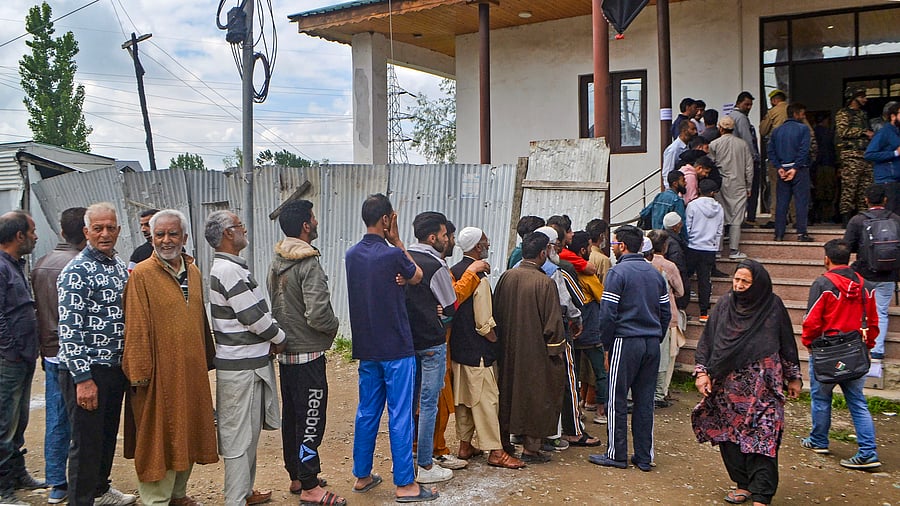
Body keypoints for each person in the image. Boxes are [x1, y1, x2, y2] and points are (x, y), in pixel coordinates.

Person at [345, 194, 440, 502]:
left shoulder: (351, 255)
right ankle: (405, 484)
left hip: (367, 347)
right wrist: (398, 240)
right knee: (400, 414)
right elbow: (417, 276)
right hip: (397, 348)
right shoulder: (391, 255)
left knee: (367, 411)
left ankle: (362, 475)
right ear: (386, 220)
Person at [123, 209, 218, 506]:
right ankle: (157, 500)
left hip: (189, 370)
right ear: (151, 237)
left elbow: (199, 319)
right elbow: (135, 326)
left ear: (185, 237)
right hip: (157, 374)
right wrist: (139, 374)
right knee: (157, 437)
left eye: (172, 234)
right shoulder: (142, 274)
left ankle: (177, 494)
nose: (166, 240)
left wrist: (206, 358)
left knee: (187, 430)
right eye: (159, 234)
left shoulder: (193, 271)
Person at [692, 259, 802, 505]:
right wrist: (702, 373)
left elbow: (786, 343)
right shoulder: (724, 305)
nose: (739, 285)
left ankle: (762, 493)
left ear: (758, 284)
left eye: (745, 281)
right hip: (728, 388)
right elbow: (708, 342)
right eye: (736, 280)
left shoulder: (773, 306)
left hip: (763, 389)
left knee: (764, 437)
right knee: (729, 436)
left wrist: (793, 377)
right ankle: (743, 484)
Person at [57, 203, 136, 506]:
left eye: (110, 227)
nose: (105, 234)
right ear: (86, 231)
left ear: (118, 229)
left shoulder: (115, 264)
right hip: (88, 370)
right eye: (98, 228)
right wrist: (83, 380)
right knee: (86, 444)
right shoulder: (75, 271)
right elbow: (70, 330)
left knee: (104, 438)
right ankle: (80, 500)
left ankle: (101, 490)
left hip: (114, 368)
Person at [205, 210, 285, 506]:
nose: (244, 231)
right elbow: (253, 318)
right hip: (240, 369)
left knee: (248, 434)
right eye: (240, 226)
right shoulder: (228, 271)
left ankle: (246, 492)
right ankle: (235, 499)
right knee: (238, 437)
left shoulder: (231, 268)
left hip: (249, 364)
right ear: (228, 233)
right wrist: (280, 338)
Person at [268, 200, 342, 504]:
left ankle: (297, 476)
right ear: (305, 226)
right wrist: (334, 327)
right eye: (314, 218)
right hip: (309, 355)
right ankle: (311, 487)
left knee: (294, 418)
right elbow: (318, 315)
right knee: (312, 418)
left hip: (286, 354)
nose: (317, 222)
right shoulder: (308, 262)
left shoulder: (277, 260)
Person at [589, 225, 669, 471]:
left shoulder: (618, 273)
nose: (612, 248)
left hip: (625, 341)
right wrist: (656, 336)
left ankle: (616, 453)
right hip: (651, 342)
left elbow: (608, 314)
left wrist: (607, 345)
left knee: (617, 399)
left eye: (613, 244)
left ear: (622, 246)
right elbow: (665, 312)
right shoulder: (655, 273)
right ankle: (644, 457)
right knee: (645, 401)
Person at [800, 239, 881, 470]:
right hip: (856, 351)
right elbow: (873, 322)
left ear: (826, 259)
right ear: (849, 259)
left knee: (821, 398)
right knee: (857, 402)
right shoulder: (866, 285)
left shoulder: (822, 284)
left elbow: (812, 321)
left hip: (826, 353)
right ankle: (868, 452)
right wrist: (869, 345)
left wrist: (809, 344)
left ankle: (818, 441)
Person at [449, 227, 525, 469]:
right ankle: (496, 451)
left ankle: (465, 445)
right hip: (478, 353)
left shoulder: (453, 273)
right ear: (477, 247)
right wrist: (494, 339)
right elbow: (483, 324)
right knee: (486, 402)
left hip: (458, 351)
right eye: (485, 240)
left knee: (464, 401)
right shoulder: (478, 280)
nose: (488, 243)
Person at [493, 232, 566, 463]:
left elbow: (496, 312)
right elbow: (554, 325)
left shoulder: (506, 277)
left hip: (507, 351)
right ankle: (531, 449)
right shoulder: (545, 282)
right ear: (543, 253)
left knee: (508, 395)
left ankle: (504, 443)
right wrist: (556, 354)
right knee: (537, 397)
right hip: (537, 354)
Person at [30, 207, 85, 504]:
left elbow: (38, 311)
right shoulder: (81, 264)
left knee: (56, 416)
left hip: (51, 352)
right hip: (75, 355)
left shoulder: (40, 264)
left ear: (61, 232)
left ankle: (56, 482)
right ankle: (80, 481)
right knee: (82, 422)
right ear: (86, 232)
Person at [405, 212, 458, 484]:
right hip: (431, 344)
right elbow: (450, 306)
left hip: (404, 343)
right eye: (446, 235)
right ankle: (425, 465)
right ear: (432, 237)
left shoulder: (402, 260)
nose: (448, 239)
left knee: (406, 404)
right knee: (428, 405)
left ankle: (408, 461)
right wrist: (440, 309)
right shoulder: (435, 266)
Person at [0, 211, 44, 505]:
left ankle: (17, 474)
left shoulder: (15, 264)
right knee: (4, 424)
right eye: (32, 231)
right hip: (9, 360)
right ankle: (3, 489)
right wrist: (10, 348)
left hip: (23, 357)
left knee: (19, 421)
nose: (35, 236)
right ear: (19, 236)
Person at [843, 184, 900, 360]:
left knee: (859, 310)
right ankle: (877, 350)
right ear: (885, 200)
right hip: (889, 274)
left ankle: (858, 346)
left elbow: (847, 247)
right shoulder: (896, 219)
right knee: (881, 311)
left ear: (866, 200)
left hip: (864, 273)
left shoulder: (857, 221)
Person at [647, 230, 684, 409]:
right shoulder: (669, 266)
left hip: (646, 315)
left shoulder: (644, 263)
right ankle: (659, 394)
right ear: (665, 246)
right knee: (664, 358)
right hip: (666, 314)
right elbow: (681, 291)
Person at [768, 103, 814, 242]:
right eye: (802, 114)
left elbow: (771, 151)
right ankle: (801, 233)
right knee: (801, 202)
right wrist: (795, 167)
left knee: (782, 202)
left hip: (783, 169)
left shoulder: (776, 131)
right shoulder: (803, 129)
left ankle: (779, 234)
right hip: (799, 170)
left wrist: (779, 167)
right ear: (796, 114)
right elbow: (804, 150)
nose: (804, 116)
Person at [709, 114, 754, 256]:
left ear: (720, 128)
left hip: (721, 184)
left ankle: (718, 249)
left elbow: (710, 165)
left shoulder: (714, 144)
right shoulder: (743, 144)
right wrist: (749, 186)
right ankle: (734, 250)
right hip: (739, 184)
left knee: (720, 217)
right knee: (736, 218)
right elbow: (749, 167)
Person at [686, 179, 724, 323]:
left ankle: (683, 307)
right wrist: (716, 247)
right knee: (704, 280)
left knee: (686, 276)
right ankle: (703, 313)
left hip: (693, 246)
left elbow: (688, 226)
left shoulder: (692, 205)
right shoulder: (719, 208)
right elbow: (720, 230)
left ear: (699, 190)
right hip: (709, 248)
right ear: (713, 192)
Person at [836, 86, 875, 224]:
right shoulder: (844, 113)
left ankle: (863, 220)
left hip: (866, 156)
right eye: (862, 96)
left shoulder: (863, 114)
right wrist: (863, 132)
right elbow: (843, 132)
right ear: (853, 98)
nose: (865, 99)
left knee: (865, 190)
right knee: (849, 189)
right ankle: (846, 220)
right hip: (851, 156)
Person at [729, 92, 762, 224]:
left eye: (750, 105)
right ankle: (750, 218)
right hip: (746, 160)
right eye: (746, 104)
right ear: (738, 103)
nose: (749, 107)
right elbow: (747, 139)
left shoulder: (731, 116)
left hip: (736, 161)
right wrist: (755, 157)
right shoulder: (741, 118)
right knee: (751, 189)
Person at [864, 102, 900, 215]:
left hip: (897, 181)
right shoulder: (884, 132)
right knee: (891, 216)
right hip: (887, 181)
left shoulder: (897, 133)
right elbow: (869, 154)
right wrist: (894, 153)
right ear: (893, 116)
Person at [663, 212, 691, 311]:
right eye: (680, 224)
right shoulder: (674, 244)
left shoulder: (663, 238)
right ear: (675, 227)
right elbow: (678, 267)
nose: (681, 225)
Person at [585, 219, 612, 284]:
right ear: (601, 236)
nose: (607, 238)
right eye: (606, 235)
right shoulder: (603, 260)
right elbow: (606, 286)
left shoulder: (581, 253)